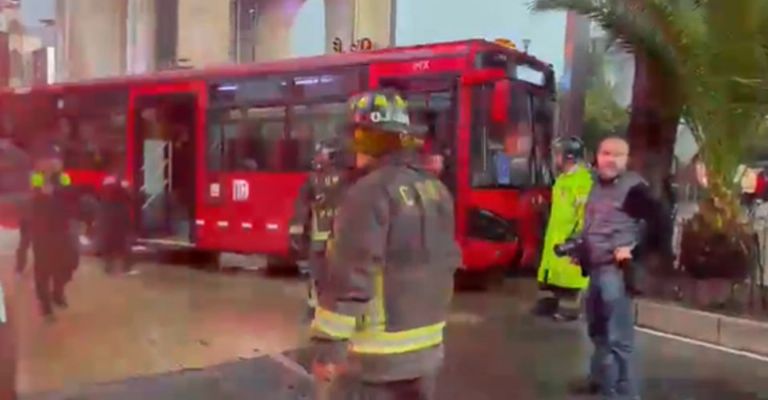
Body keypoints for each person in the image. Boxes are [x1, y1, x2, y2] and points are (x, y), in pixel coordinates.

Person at [310, 90, 461, 399]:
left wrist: (328, 349)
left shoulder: (367, 193)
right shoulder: (437, 190)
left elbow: (350, 277)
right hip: (427, 353)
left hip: (375, 360)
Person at [567, 136, 665, 399]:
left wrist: (635, 251)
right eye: (606, 153)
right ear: (597, 156)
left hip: (616, 272)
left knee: (619, 340)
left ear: (626, 160)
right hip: (596, 270)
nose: (610, 160)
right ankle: (598, 380)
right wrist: (580, 250)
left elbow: (661, 224)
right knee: (597, 332)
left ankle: (626, 394)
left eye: (617, 155)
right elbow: (595, 225)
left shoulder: (634, 189)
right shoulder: (595, 185)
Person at [289, 137, 351, 320]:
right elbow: (302, 206)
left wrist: (297, 231)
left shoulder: (339, 178)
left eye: (321, 153)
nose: (317, 158)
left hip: (333, 236)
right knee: (318, 274)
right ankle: (317, 307)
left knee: (327, 273)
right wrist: (297, 230)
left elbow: (302, 207)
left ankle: (324, 307)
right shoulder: (342, 178)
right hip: (327, 236)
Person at [533, 136, 593, 321]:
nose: (555, 158)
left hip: (569, 238)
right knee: (558, 273)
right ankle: (557, 302)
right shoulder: (561, 180)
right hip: (557, 235)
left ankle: (571, 308)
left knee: (570, 276)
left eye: (557, 154)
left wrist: (577, 239)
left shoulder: (582, 181)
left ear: (568, 156)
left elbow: (585, 214)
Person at [28, 145, 78, 321]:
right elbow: (33, 195)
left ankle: (58, 291)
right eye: (49, 160)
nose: (53, 163)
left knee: (68, 263)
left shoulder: (63, 177)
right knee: (43, 268)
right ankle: (45, 305)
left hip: (61, 227)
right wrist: (42, 190)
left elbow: (71, 193)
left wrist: (56, 190)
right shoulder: (36, 177)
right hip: (41, 230)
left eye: (56, 160)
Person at [99, 163, 136, 275]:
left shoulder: (106, 181)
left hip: (109, 215)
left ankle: (109, 267)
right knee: (124, 242)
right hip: (120, 215)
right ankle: (126, 267)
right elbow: (130, 197)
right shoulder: (124, 183)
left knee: (110, 242)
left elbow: (102, 196)